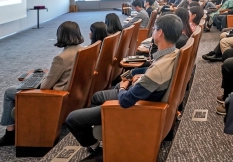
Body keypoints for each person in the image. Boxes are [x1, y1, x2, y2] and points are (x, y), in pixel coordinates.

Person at [65, 15, 182, 159]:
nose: (152, 31)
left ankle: (99, 147)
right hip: (145, 97)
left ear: (160, 33)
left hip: (139, 108)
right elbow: (153, 76)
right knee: (98, 97)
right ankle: (107, 137)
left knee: (72, 119)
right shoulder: (174, 53)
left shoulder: (158, 69)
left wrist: (123, 87)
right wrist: (142, 77)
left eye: (154, 28)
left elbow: (126, 101)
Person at [0, 21, 85, 147]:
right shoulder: (83, 50)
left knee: (9, 92)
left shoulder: (61, 58)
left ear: (61, 36)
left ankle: (10, 134)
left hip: (55, 96)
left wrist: (39, 77)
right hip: (73, 95)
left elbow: (46, 86)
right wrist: (49, 73)